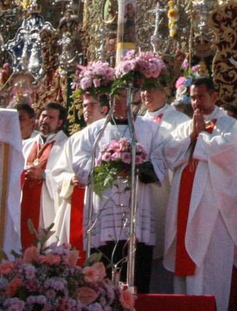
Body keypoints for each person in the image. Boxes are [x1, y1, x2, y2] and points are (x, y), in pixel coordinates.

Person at [163, 77, 237, 311]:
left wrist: (198, 138)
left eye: (201, 97)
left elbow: (226, 153)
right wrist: (191, 135)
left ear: (214, 96)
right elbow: (169, 153)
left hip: (214, 203)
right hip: (185, 195)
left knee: (211, 256)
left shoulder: (226, 123)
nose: (196, 102)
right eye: (192, 97)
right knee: (188, 251)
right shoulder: (186, 124)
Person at [72, 91, 166, 293]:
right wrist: (107, 164)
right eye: (114, 98)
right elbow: (79, 163)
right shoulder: (94, 130)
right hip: (104, 208)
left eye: (123, 98)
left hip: (137, 207)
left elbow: (162, 159)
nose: (118, 103)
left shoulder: (150, 128)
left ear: (133, 99)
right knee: (102, 271)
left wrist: (137, 164)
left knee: (136, 268)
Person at [141, 82, 190, 293]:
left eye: (152, 88)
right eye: (143, 89)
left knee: (165, 244)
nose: (146, 93)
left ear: (165, 91)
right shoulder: (138, 121)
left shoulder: (180, 120)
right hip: (142, 194)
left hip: (167, 192)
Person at [48, 93, 106, 254]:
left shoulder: (110, 136)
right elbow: (58, 171)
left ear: (105, 109)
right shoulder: (75, 139)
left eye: (92, 105)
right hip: (76, 200)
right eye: (85, 106)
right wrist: (69, 178)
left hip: (99, 202)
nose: (87, 110)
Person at [20, 102, 66, 249]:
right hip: (25, 202)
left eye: (51, 118)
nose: (45, 120)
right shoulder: (27, 144)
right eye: (44, 116)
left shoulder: (66, 145)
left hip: (48, 206)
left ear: (60, 122)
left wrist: (44, 175)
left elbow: (67, 177)